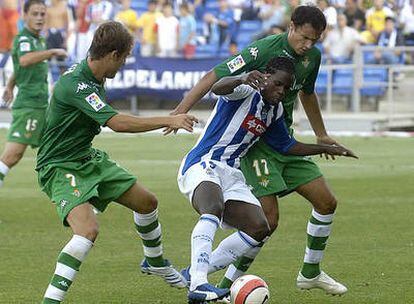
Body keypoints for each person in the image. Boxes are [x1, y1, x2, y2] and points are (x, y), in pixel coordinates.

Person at [167, 5, 352, 298]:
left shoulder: (280, 103)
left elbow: (303, 103)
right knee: (239, 214)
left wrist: (323, 141)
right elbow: (218, 81)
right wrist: (179, 112)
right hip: (224, 158)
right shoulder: (259, 59)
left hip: (263, 149)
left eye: (314, 41)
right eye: (304, 38)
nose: (308, 46)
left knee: (287, 216)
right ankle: (207, 284)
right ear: (291, 27)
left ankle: (308, 272)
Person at [36, 21, 197, 303]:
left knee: (147, 202)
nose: (123, 64)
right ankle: (50, 301)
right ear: (112, 55)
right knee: (87, 232)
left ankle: (154, 261)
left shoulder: (95, 75)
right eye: (123, 58)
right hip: (59, 166)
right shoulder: (76, 85)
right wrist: (169, 119)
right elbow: (118, 123)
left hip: (87, 157)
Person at [0, 0, 67, 188]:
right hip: (29, 106)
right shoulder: (24, 39)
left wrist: (9, 85)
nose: (39, 18)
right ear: (25, 15)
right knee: (12, 155)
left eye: (42, 14)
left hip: (41, 106)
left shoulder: (38, 39)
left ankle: (80, 197)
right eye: (34, 14)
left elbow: (20, 66)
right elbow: (24, 60)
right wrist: (52, 52)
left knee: (60, 147)